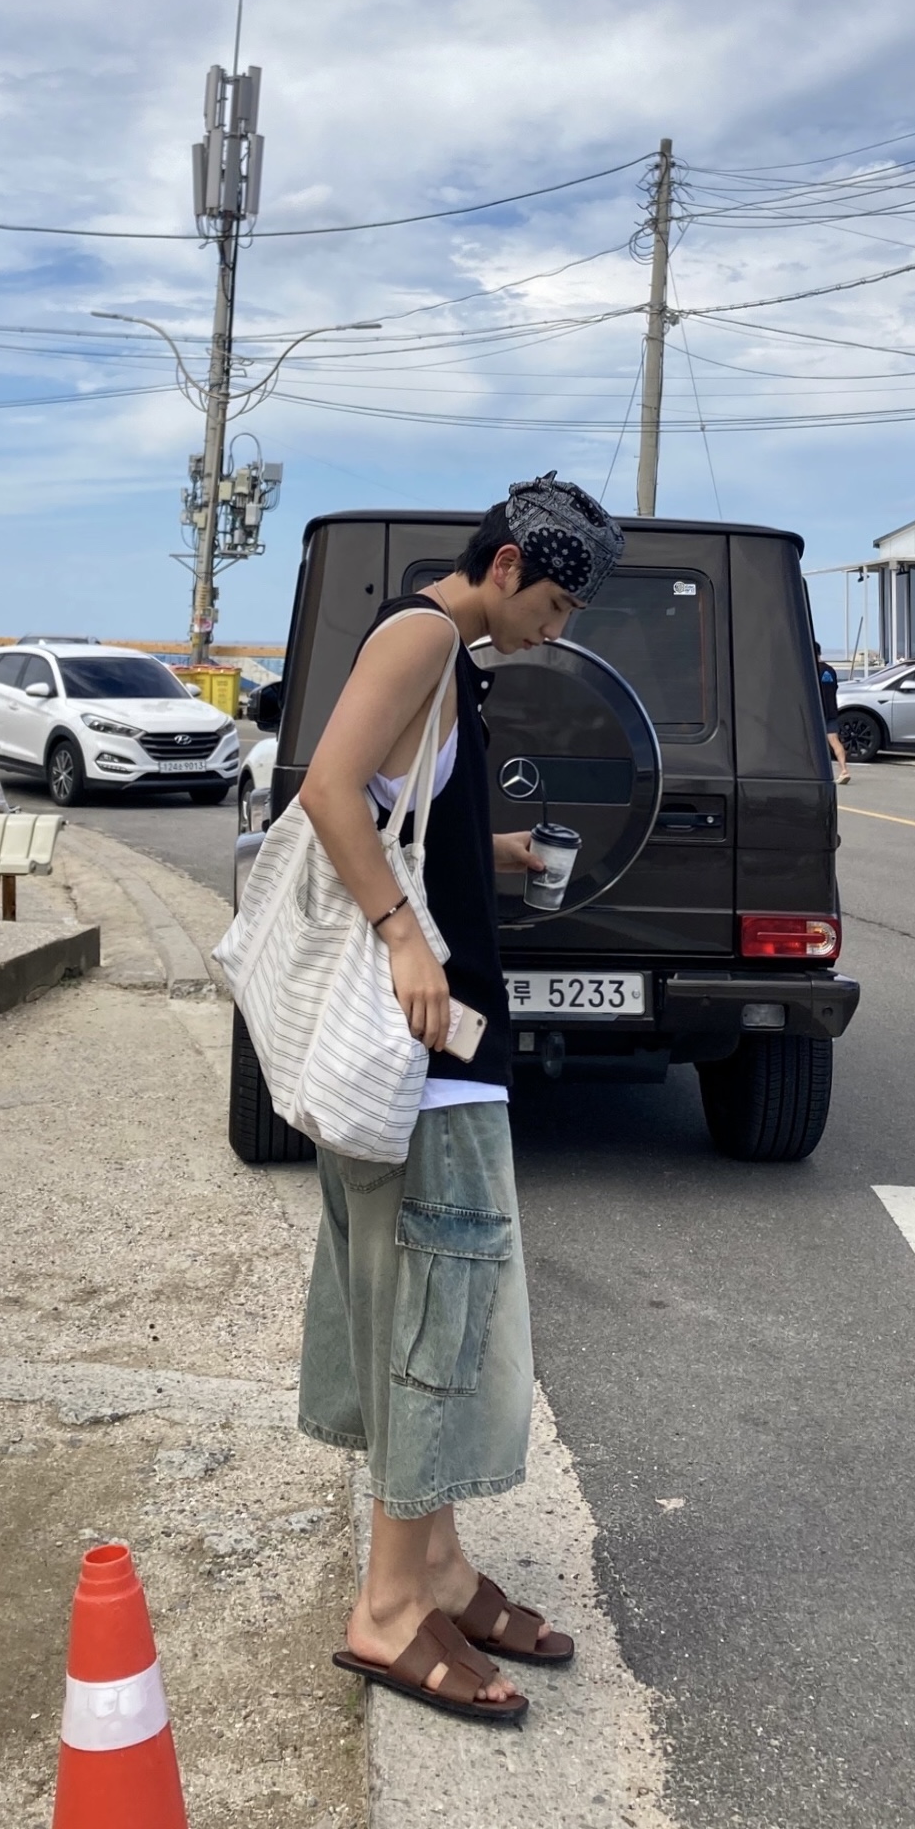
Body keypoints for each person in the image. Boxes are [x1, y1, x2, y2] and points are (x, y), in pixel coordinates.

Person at [294, 473, 624, 1725]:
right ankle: (388, 1609)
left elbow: (397, 813)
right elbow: (327, 789)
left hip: (440, 1055)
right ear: (504, 567)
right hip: (420, 1055)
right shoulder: (424, 637)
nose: (556, 628)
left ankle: (435, 1569)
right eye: (553, 604)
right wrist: (402, 935)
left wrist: (495, 853)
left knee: (435, 1299)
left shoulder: (449, 657)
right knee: (435, 1313)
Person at [817, 647, 849, 784]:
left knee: (812, 742)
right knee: (834, 741)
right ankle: (844, 770)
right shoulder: (830, 670)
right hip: (831, 710)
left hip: (817, 711)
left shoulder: (812, 670)